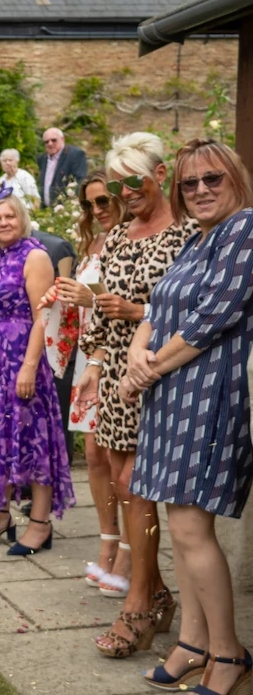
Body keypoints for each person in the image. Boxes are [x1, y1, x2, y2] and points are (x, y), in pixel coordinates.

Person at [122, 139, 253, 694]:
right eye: (189, 183)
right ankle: (194, 644)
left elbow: (212, 317)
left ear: (235, 180)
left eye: (212, 180)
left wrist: (145, 371)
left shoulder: (245, 229)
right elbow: (156, 310)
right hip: (172, 396)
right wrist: (135, 349)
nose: (200, 190)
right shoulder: (198, 239)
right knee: (179, 527)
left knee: (192, 527)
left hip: (212, 394)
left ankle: (228, 652)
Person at [73, 132, 196, 658]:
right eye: (118, 183)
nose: (126, 192)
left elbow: (199, 309)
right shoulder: (120, 235)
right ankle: (155, 593)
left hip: (164, 371)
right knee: (125, 484)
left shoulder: (188, 234)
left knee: (135, 483)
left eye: (135, 181)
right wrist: (95, 362)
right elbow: (105, 306)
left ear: (161, 174)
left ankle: (141, 601)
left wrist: (140, 312)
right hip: (119, 373)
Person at [39, 171, 132, 597]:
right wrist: (58, 299)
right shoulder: (92, 244)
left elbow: (125, 300)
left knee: (119, 459)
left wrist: (87, 298)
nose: (98, 210)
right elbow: (84, 300)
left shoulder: (134, 239)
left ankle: (130, 553)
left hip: (120, 353)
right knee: (93, 454)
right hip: (89, 357)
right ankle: (107, 542)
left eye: (104, 201)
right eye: (90, 204)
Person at [0, 188, 75, 554]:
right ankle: (1, 516)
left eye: (9, 216)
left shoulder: (35, 256)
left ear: (22, 218)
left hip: (20, 361)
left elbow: (43, 317)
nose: (3, 223)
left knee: (31, 440)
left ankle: (40, 523)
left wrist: (29, 366)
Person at [37, 127, 88, 207]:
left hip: (67, 209)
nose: (50, 144)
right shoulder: (42, 159)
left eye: (54, 140)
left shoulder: (75, 155)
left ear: (62, 139)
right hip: (47, 210)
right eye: (46, 142)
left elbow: (80, 181)